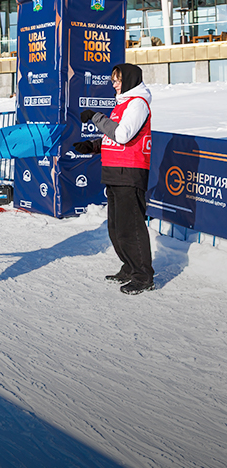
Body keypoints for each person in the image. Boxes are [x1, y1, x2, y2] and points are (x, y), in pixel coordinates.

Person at [73, 63, 155, 295]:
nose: (114, 84)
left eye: (117, 80)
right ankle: (129, 267)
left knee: (131, 228)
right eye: (113, 80)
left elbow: (122, 134)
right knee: (116, 228)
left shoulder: (138, 103)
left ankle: (143, 276)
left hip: (129, 172)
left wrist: (96, 117)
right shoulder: (122, 104)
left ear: (129, 80)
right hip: (114, 171)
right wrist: (92, 146)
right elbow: (113, 137)